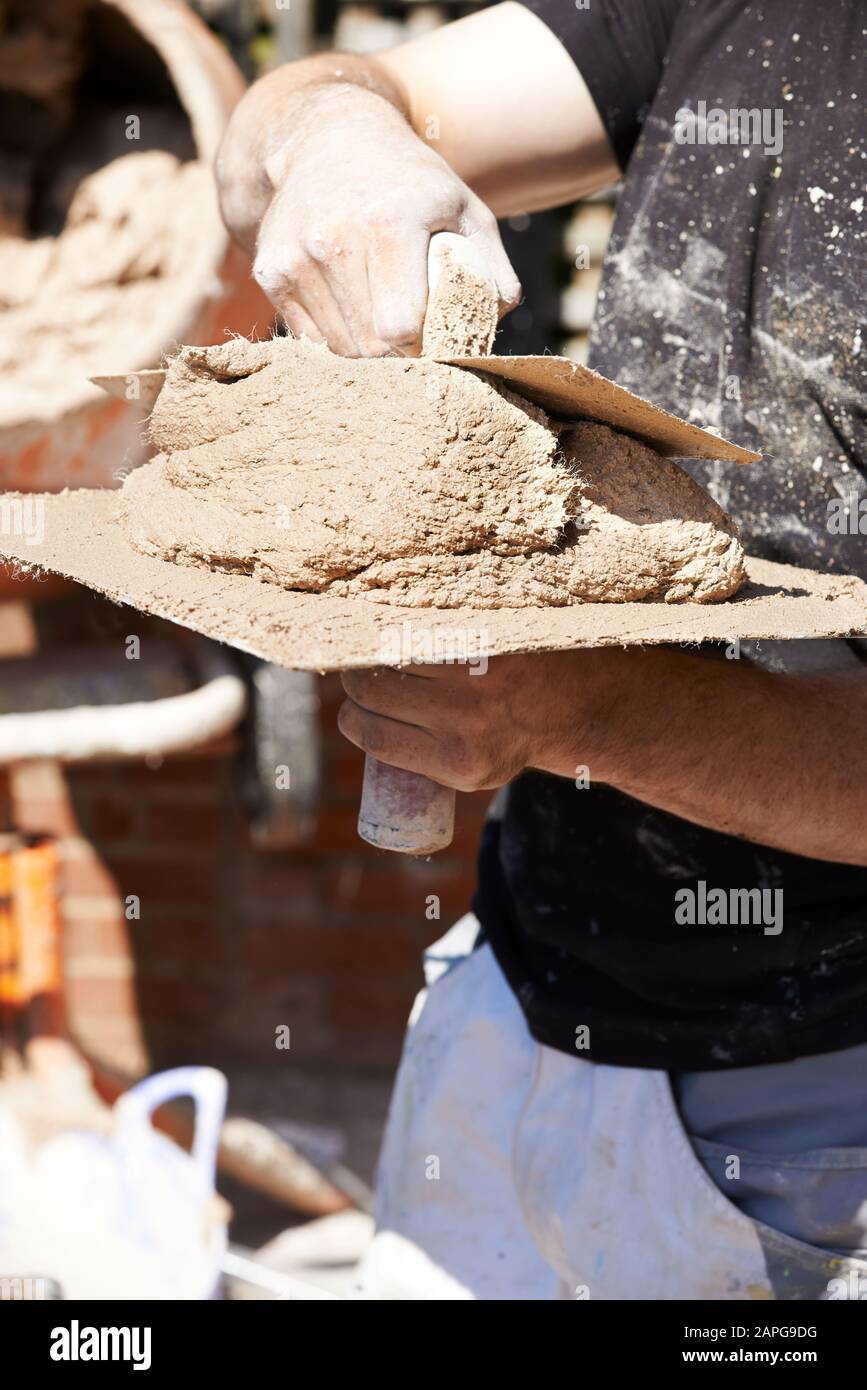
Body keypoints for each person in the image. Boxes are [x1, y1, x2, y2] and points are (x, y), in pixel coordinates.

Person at [216, 1, 867, 1299]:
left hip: (816, 1110)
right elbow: (277, 134)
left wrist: (588, 713)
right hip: (519, 1002)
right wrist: (338, 126)